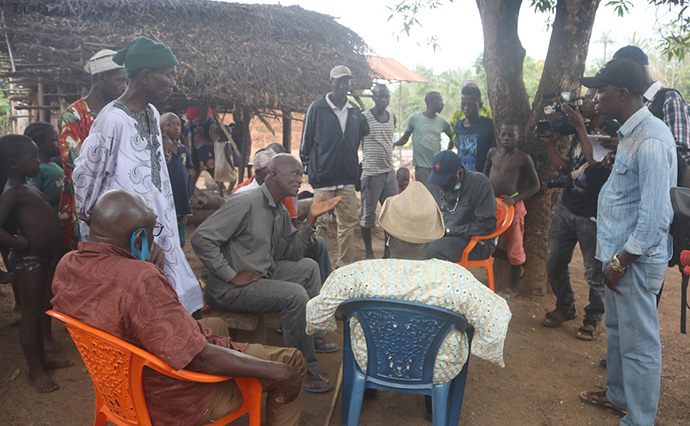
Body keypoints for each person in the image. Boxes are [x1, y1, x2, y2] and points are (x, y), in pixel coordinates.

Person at [51, 189, 306, 426]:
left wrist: (148, 273)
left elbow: (124, 311)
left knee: (215, 325)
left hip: (118, 385)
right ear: (139, 238)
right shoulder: (140, 279)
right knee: (292, 362)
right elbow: (200, 358)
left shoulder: (67, 264)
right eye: (153, 232)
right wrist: (278, 372)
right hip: (171, 403)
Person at [306, 181, 511, 420]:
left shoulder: (355, 274)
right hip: (436, 368)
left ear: (388, 236)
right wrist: (477, 345)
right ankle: (432, 404)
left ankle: (368, 390)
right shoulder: (456, 279)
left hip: (371, 360)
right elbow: (496, 322)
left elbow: (316, 315)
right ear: (431, 237)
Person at [73, 36, 203, 315]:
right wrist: (126, 235)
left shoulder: (152, 113)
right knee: (141, 309)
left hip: (159, 229)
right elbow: (87, 180)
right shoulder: (112, 120)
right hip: (130, 238)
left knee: (173, 307)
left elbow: (156, 180)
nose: (172, 83)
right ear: (145, 77)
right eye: (168, 76)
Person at [578, 59, 676, 426]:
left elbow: (654, 217)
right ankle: (618, 396)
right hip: (618, 257)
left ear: (622, 94)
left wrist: (620, 262)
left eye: (601, 90)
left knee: (640, 347)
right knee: (619, 333)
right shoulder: (631, 133)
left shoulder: (650, 139)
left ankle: (638, 420)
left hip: (632, 262)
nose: (595, 96)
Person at [191, 154, 342, 392]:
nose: (299, 179)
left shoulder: (278, 210)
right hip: (230, 289)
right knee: (295, 295)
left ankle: (311, 336)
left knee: (309, 268)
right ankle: (304, 366)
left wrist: (310, 220)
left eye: (300, 174)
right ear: (273, 175)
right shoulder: (244, 202)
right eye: (293, 173)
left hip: (261, 275)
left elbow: (292, 254)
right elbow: (202, 239)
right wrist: (230, 275)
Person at [538, 87, 620, 341]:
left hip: (593, 215)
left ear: (600, 103)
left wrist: (580, 127)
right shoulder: (578, 127)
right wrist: (549, 144)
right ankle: (566, 306)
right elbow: (568, 166)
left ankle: (593, 318)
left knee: (594, 272)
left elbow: (595, 161)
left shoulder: (612, 130)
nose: (585, 100)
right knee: (554, 263)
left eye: (590, 97)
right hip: (567, 207)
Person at [0, 135, 72, 393]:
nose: (39, 163)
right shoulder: (13, 192)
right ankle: (35, 371)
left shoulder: (28, 186)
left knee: (42, 307)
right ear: (13, 164)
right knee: (30, 316)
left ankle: (42, 359)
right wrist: (19, 245)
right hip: (28, 261)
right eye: (32, 158)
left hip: (43, 258)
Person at [57, 49, 127, 251]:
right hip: (82, 208)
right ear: (101, 77)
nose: (124, 87)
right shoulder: (73, 117)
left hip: (117, 205)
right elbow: (74, 170)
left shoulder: (119, 115)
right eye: (120, 81)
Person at [300, 65, 368, 268]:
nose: (342, 85)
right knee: (319, 224)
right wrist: (310, 169)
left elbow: (357, 140)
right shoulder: (317, 108)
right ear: (331, 82)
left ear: (350, 84)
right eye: (338, 81)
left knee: (348, 223)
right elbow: (306, 143)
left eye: (346, 81)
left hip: (346, 177)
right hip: (323, 178)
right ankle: (318, 265)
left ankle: (344, 267)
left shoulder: (355, 111)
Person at [483, 118, 540, 298]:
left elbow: (535, 186)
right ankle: (513, 261)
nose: (506, 138)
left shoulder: (523, 158)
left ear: (519, 137)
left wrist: (515, 199)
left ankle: (513, 286)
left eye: (511, 135)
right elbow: (484, 178)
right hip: (492, 205)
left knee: (515, 245)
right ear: (498, 136)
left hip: (512, 207)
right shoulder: (492, 153)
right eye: (503, 134)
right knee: (483, 240)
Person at [613, 45, 690, 169]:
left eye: (624, 76)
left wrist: (631, 147)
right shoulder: (632, 103)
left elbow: (682, 152)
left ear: (642, 71)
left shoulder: (669, 98)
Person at [425, 150, 496, 263]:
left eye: (445, 180)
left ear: (459, 172)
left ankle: (442, 281)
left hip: (474, 241)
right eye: (438, 180)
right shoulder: (437, 184)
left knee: (432, 250)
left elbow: (485, 226)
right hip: (442, 235)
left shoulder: (480, 183)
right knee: (412, 244)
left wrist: (449, 230)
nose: (440, 185)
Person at [360, 84, 398, 259]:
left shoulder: (392, 117)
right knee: (368, 216)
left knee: (391, 214)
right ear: (373, 97)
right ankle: (369, 252)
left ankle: (388, 252)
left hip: (389, 173)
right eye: (380, 96)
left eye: (386, 96)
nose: (384, 100)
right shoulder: (364, 118)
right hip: (371, 174)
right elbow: (355, 144)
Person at [395, 92, 452, 188]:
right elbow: (405, 138)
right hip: (421, 167)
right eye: (440, 101)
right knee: (424, 194)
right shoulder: (414, 118)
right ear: (432, 102)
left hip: (437, 166)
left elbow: (453, 137)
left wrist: (446, 153)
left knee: (436, 194)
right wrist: (393, 144)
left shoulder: (442, 123)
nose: (442, 104)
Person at [450, 85, 497, 172]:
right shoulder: (458, 126)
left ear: (480, 105)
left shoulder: (489, 125)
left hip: (481, 177)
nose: (466, 108)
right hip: (462, 176)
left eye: (470, 104)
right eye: (463, 104)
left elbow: (494, 154)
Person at [25, 122, 64, 213]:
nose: (60, 142)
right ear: (39, 145)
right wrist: (62, 194)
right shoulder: (36, 170)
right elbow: (33, 202)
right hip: (49, 222)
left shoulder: (54, 165)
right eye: (55, 140)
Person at [162, 134, 193, 247]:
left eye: (169, 151)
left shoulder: (183, 149)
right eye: (163, 150)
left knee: (180, 232)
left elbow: (190, 168)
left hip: (180, 201)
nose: (166, 154)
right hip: (164, 211)